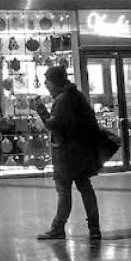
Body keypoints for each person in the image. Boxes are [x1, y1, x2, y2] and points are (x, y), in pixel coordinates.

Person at [32, 66, 102, 240]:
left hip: (67, 153)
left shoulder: (63, 100)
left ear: (55, 82)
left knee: (64, 191)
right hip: (81, 151)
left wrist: (40, 109)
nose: (46, 85)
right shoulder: (76, 96)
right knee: (85, 187)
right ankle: (94, 227)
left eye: (47, 82)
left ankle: (58, 227)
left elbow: (53, 125)